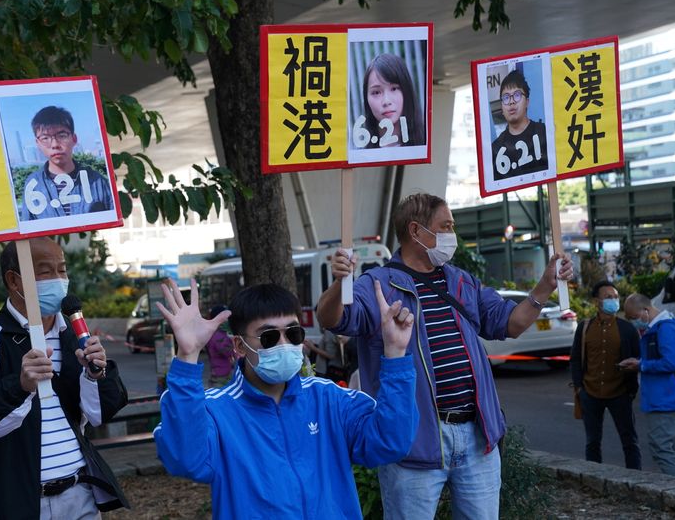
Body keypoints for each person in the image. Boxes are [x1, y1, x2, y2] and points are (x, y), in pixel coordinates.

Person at [317, 192, 573, 519]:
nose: (453, 234)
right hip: (413, 443)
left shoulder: (460, 280)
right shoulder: (378, 284)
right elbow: (332, 319)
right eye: (446, 225)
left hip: (476, 438)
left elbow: (511, 323)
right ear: (416, 231)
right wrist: (341, 285)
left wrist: (545, 286)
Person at [154, 280, 419, 519]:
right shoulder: (215, 410)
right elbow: (185, 460)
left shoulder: (328, 399)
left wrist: (395, 355)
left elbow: (390, 443)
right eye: (269, 337)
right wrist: (187, 356)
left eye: (293, 333)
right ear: (238, 346)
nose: (284, 344)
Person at [0, 237, 129, 518]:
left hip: (79, 494)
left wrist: (96, 374)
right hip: (12, 501)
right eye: (45, 272)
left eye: (62, 270)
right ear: (14, 281)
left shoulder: (71, 335)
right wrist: (19, 386)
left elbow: (99, 414)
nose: (58, 280)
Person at [570, 281, 641, 469]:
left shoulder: (628, 329)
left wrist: (631, 391)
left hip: (620, 394)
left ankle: (636, 483)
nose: (613, 300)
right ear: (597, 301)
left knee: (630, 442)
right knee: (592, 443)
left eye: (616, 296)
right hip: (590, 394)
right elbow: (575, 358)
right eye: (608, 297)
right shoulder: (584, 328)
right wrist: (579, 387)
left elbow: (638, 359)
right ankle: (595, 479)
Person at [620, 293, 675, 476]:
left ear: (645, 310)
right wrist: (640, 362)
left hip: (665, 398)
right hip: (665, 396)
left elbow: (670, 362)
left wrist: (642, 365)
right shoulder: (660, 328)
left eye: (634, 317)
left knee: (662, 449)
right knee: (672, 448)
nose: (634, 322)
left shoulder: (665, 329)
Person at [20, 106, 114, 220]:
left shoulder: (97, 181)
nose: (55, 144)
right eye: (45, 138)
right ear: (38, 143)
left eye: (62, 135)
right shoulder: (33, 185)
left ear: (74, 139)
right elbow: (28, 229)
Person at [490, 69, 548, 181]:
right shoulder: (496, 149)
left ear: (527, 101)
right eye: (506, 98)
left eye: (517, 95)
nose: (511, 102)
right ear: (502, 107)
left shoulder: (544, 132)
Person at [362, 53, 425, 149]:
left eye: (394, 89)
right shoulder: (359, 156)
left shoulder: (425, 145)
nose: (386, 101)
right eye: (376, 92)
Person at [205, 304, 234, 387]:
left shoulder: (217, 333)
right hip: (221, 375)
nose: (228, 319)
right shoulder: (217, 335)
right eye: (226, 317)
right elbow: (226, 352)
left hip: (220, 372)